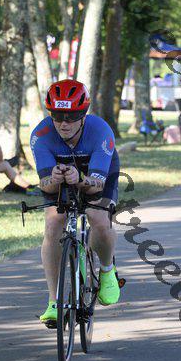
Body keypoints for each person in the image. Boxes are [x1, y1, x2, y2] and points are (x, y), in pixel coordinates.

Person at [30, 79, 121, 327]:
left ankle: (107, 270)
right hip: (62, 176)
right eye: (58, 116)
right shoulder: (41, 135)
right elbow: (45, 184)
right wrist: (54, 179)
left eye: (71, 117)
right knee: (53, 223)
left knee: (98, 217)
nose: (64, 123)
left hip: (98, 174)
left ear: (83, 115)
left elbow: (97, 185)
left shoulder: (101, 132)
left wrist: (80, 179)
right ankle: (54, 302)